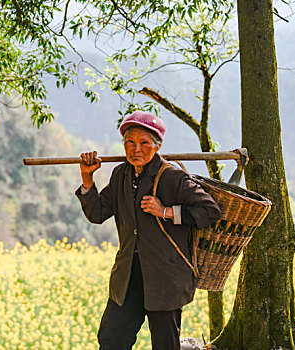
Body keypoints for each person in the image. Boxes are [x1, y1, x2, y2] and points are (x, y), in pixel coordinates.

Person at [75, 111, 221, 350]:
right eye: (130, 142)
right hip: (128, 276)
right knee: (111, 338)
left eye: (144, 143)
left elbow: (210, 211)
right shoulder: (121, 174)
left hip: (165, 278)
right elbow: (98, 213)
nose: (136, 149)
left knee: (165, 344)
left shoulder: (172, 176)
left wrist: (165, 211)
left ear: (157, 145)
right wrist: (88, 179)